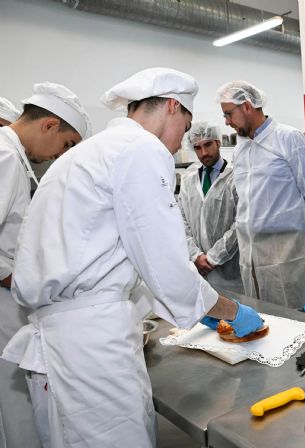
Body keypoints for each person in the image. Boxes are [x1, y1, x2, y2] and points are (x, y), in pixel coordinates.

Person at [1, 68, 263, 448]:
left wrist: (187, 300)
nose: (180, 145)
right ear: (173, 107)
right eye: (185, 128)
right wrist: (227, 310)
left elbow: (111, 254)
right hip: (93, 349)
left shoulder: (90, 153)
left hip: (62, 343)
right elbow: (166, 265)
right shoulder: (141, 149)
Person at [0, 82, 90, 448]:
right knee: (15, 404)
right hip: (5, 300)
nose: (58, 156)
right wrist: (11, 275)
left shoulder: (14, 157)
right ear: (49, 125)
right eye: (66, 145)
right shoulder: (5, 157)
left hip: (10, 297)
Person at [215, 81, 305, 309]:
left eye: (228, 114)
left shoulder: (288, 138)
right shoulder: (240, 148)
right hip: (250, 253)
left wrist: (298, 235)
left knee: (293, 319)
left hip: (285, 253)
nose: (226, 122)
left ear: (246, 106)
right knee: (261, 317)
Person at [178, 122, 243, 293]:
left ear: (218, 142)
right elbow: (180, 220)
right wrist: (195, 255)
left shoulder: (235, 176)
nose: (204, 153)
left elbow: (241, 222)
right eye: (197, 148)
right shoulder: (188, 179)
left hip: (231, 271)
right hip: (197, 269)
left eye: (208, 145)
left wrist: (214, 257)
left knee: (234, 314)